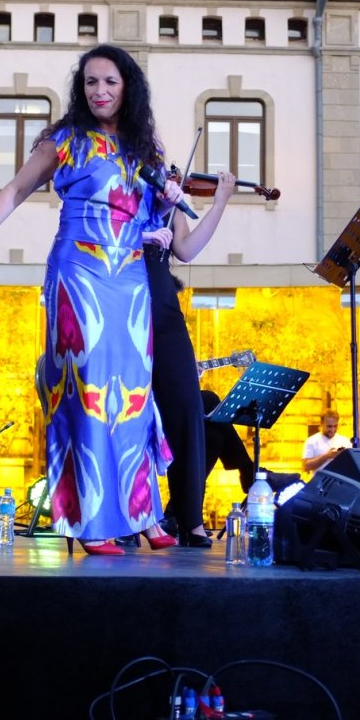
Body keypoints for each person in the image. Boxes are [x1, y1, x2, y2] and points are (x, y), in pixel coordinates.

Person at [0, 45, 177, 557]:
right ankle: (89, 518)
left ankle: (144, 511)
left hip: (130, 279)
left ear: (129, 89)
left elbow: (146, 220)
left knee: (135, 390)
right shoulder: (66, 141)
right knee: (87, 387)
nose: (99, 92)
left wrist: (158, 229)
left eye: (110, 83)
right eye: (90, 84)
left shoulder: (146, 151)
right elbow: (15, 189)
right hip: (78, 273)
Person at [145, 169, 237, 547]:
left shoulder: (168, 192)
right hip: (121, 285)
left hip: (162, 295)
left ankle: (188, 516)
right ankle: (128, 515)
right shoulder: (121, 175)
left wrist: (220, 202)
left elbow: (185, 249)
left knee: (188, 403)